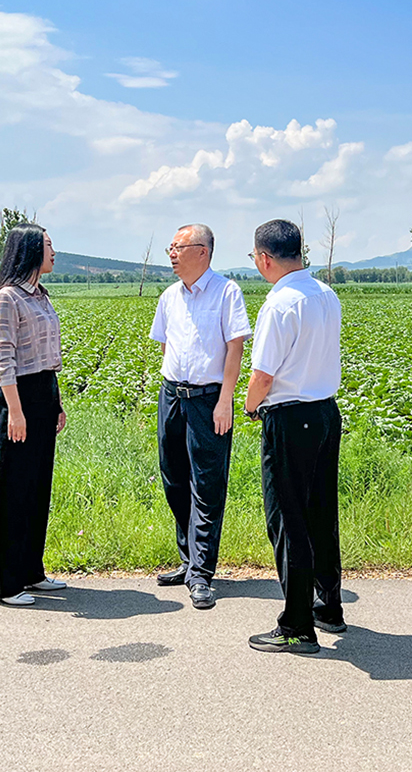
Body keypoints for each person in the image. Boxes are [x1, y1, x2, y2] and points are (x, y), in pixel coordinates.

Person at [243, 220, 343, 654]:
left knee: (288, 520)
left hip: (289, 418)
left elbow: (263, 374)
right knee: (320, 512)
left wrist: (249, 407)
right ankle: (328, 605)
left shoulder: (279, 304)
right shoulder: (326, 294)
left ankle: (297, 625)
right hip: (324, 412)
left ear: (265, 258)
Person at [149, 224, 252, 610]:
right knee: (174, 478)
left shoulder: (227, 292)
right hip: (172, 395)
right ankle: (187, 559)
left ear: (202, 252)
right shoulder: (169, 296)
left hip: (209, 399)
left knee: (206, 485)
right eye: (170, 247)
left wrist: (226, 401)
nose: (172, 254)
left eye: (178, 247)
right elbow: (166, 346)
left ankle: (202, 574)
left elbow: (235, 349)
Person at [0, 224, 68, 607]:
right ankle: (4, 585)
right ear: (32, 249)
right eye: (49, 245)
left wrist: (57, 402)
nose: (54, 251)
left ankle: (31, 572)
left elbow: (48, 357)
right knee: (13, 491)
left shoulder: (41, 295)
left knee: (37, 488)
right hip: (16, 398)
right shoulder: (8, 298)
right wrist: (16, 413)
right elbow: (5, 360)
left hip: (43, 394)